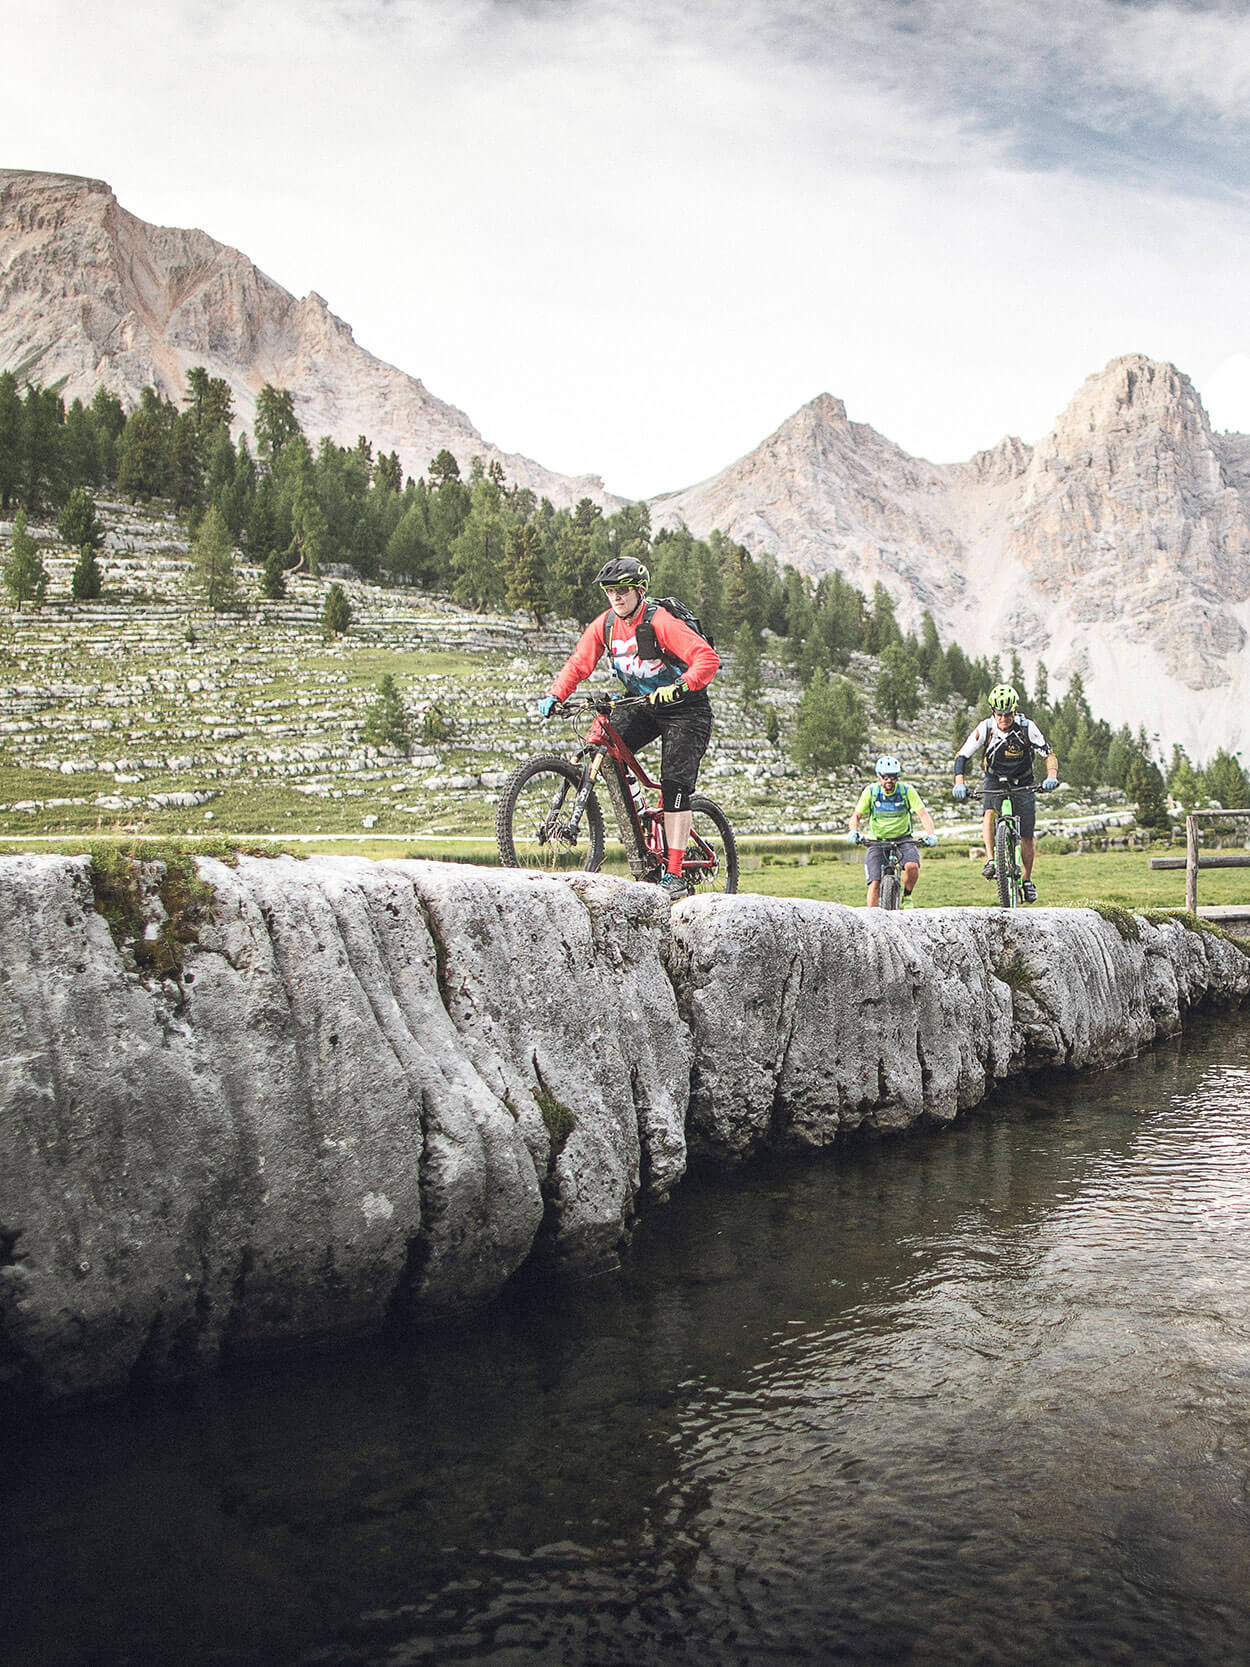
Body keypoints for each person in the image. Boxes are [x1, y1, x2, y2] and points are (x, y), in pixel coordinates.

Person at [536, 552, 720, 901]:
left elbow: (707, 658)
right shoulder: (604, 625)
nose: (616, 597)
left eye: (623, 590)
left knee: (674, 785)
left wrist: (680, 686)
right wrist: (556, 694)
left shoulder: (661, 622)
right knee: (602, 743)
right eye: (610, 591)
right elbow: (579, 663)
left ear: (640, 590)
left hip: (686, 709)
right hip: (643, 703)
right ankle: (638, 832)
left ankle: (676, 873)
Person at [953, 683, 1059, 903]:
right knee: (989, 812)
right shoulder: (986, 728)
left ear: (1015, 710)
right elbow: (962, 756)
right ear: (993, 712)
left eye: (1008, 714)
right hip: (994, 778)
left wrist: (1051, 776)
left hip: (1023, 780)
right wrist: (959, 782)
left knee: (1027, 835)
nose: (1004, 718)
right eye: (1000, 714)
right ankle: (992, 860)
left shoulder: (1027, 727)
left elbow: (1048, 754)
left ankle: (1027, 881)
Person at [848, 754, 938, 908]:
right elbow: (856, 815)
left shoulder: (906, 791)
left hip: (903, 839)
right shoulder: (871, 792)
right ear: (878, 777)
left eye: (893, 777)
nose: (889, 781)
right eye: (885, 777)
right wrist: (853, 831)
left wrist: (931, 834)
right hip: (877, 840)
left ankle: (907, 896)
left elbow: (922, 814)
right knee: (874, 883)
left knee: (912, 866)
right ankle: (872, 919)